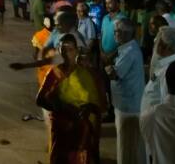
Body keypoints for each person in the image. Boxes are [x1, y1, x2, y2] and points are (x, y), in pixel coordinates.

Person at [36, 33, 105, 164]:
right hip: (62, 131)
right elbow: (40, 99)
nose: (67, 53)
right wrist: (63, 107)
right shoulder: (54, 73)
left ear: (77, 51)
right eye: (63, 49)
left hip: (82, 134)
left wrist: (89, 108)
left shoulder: (86, 74)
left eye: (70, 49)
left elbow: (99, 105)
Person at [105, 18, 146, 164]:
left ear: (125, 33)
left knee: (125, 143)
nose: (115, 34)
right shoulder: (127, 47)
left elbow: (114, 74)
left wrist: (108, 69)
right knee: (130, 143)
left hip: (127, 105)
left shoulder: (129, 51)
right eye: (115, 31)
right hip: (127, 102)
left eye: (117, 31)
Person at [141, 26, 175, 112]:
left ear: (167, 46)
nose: (154, 47)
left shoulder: (172, 69)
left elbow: (168, 104)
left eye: (157, 42)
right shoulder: (174, 64)